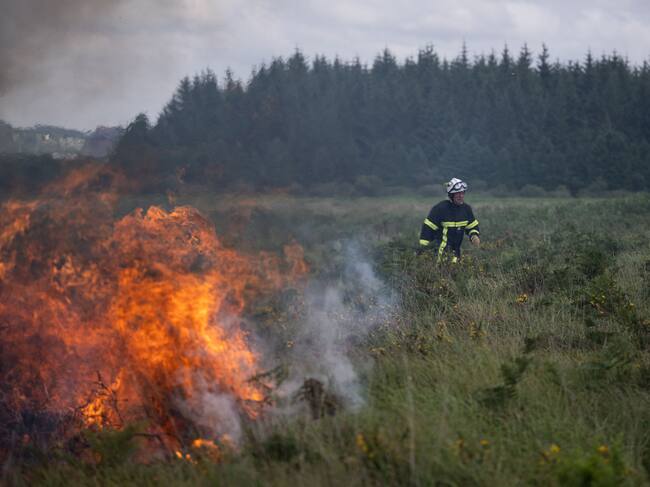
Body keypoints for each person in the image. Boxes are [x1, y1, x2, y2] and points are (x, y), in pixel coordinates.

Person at [418, 178, 480, 263]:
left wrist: (474, 235)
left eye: (462, 193)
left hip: (456, 254)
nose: (461, 196)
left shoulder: (466, 209)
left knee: (455, 273)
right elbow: (427, 230)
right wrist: (423, 252)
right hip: (439, 255)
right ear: (451, 195)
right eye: (458, 194)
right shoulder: (440, 209)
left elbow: (472, 226)